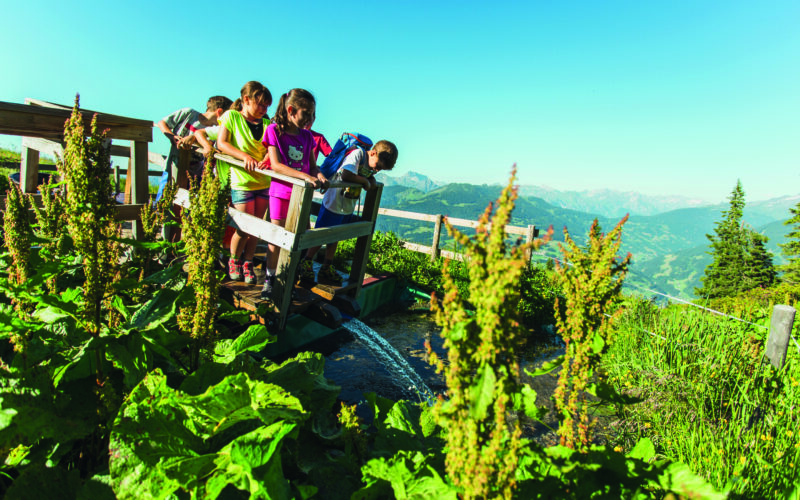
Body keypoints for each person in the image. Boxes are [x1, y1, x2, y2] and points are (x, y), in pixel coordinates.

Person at [261, 88, 328, 298]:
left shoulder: (307, 136)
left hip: (301, 197)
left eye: (312, 114)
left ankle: (288, 279)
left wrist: (319, 175)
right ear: (291, 110)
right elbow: (276, 165)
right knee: (277, 238)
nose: (309, 118)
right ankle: (270, 279)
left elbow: (312, 166)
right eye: (306, 113)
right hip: (281, 193)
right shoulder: (274, 131)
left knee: (298, 240)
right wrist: (305, 176)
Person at [301, 140, 398, 284]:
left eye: (380, 169)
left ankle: (326, 266)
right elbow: (346, 174)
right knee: (322, 234)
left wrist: (371, 179)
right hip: (333, 203)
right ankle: (307, 261)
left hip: (346, 207)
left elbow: (366, 174)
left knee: (336, 236)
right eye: (378, 166)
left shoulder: (369, 163)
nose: (377, 170)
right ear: (373, 153)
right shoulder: (357, 154)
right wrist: (364, 182)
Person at [215, 81, 272, 285]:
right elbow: (222, 143)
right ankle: (234, 260)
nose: (264, 109)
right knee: (243, 226)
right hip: (242, 181)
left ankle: (248, 262)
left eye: (266, 106)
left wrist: (267, 158)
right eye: (261, 104)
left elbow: (271, 148)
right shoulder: (231, 117)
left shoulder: (267, 123)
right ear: (246, 100)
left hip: (263, 182)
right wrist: (244, 157)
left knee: (256, 227)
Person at [155, 95, 232, 200]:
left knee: (189, 202)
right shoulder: (189, 114)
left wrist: (194, 138)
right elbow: (162, 123)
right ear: (219, 112)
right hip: (173, 165)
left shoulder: (215, 130)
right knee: (163, 198)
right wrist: (172, 137)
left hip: (196, 172)